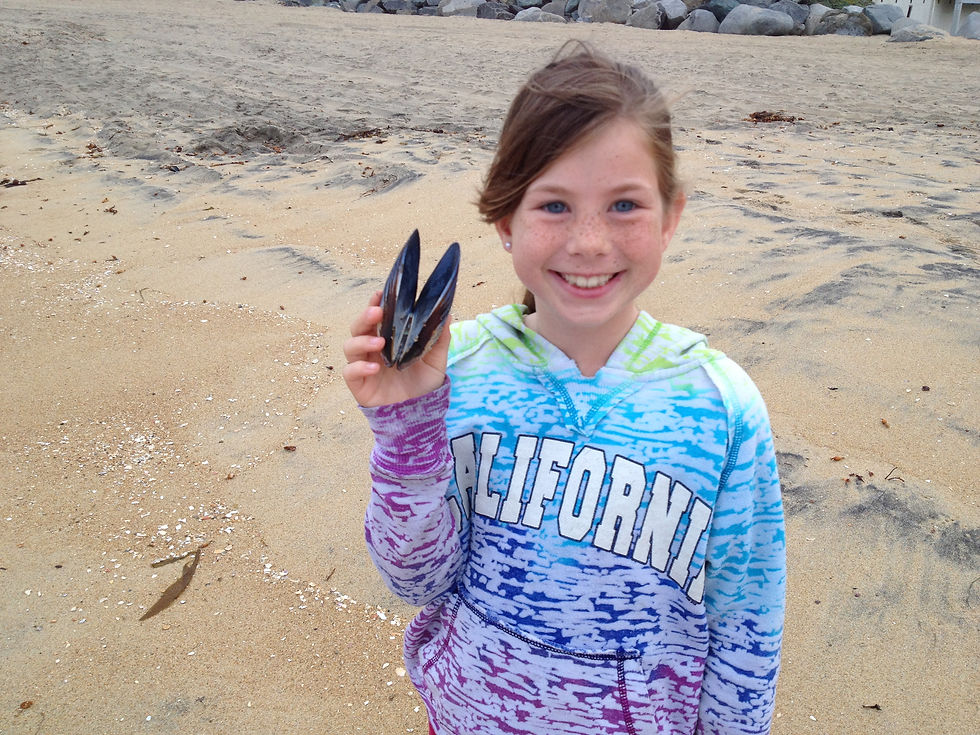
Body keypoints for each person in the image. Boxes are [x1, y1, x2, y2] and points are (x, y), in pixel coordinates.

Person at [342, 40, 785, 735]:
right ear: (504, 220)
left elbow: (747, 621)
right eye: (553, 205)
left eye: (624, 206)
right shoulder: (457, 373)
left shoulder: (722, 407)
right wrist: (406, 426)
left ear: (671, 216)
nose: (587, 241)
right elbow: (415, 580)